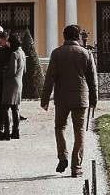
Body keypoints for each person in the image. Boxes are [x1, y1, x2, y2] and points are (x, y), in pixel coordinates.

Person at [41, 23, 99, 176]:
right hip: (81, 97)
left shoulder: (57, 53)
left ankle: (63, 156)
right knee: (79, 131)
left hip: (62, 97)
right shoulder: (86, 53)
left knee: (59, 127)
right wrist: (94, 99)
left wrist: (45, 98)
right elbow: (93, 80)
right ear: (78, 37)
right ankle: (76, 167)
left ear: (64, 36)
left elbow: (50, 78)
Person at [0, 31, 26, 141]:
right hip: (19, 83)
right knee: (15, 108)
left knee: (5, 107)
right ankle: (16, 131)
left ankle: (7, 133)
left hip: (10, 84)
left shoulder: (14, 54)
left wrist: (3, 72)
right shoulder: (22, 52)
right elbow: (24, 70)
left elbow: (12, 71)